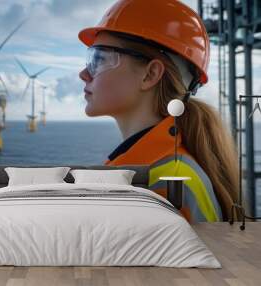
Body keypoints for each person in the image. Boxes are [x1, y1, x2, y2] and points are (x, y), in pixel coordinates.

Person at [78, 0, 238, 223]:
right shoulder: (155, 171)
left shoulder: (169, 183)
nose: (84, 73)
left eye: (99, 59)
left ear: (150, 74)